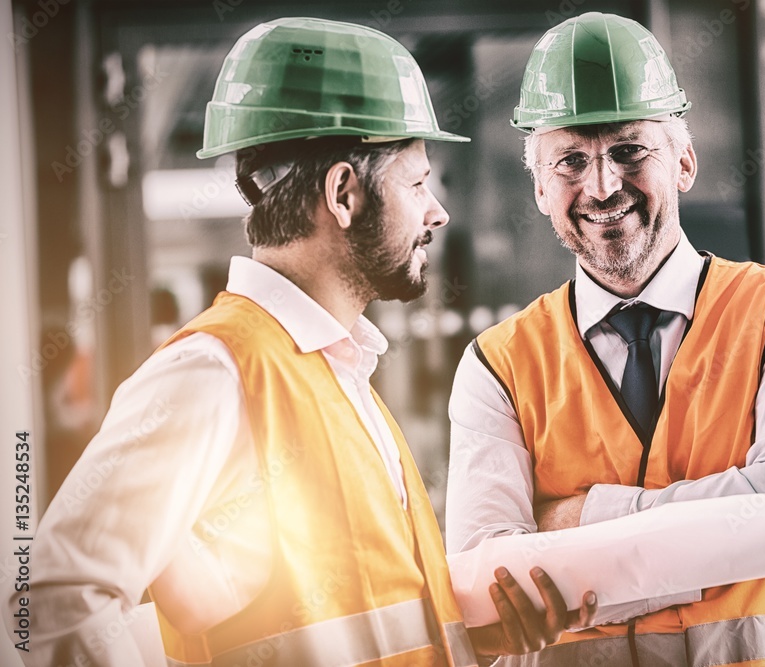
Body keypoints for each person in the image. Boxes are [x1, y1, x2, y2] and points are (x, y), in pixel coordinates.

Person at [7, 18, 595, 667]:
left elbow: (344, 618)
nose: (438, 211)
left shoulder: (336, 372)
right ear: (344, 193)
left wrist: (472, 636)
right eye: (418, 181)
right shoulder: (214, 370)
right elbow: (54, 603)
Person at [446, 12, 765, 667]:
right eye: (571, 161)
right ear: (539, 186)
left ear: (685, 161)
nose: (603, 185)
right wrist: (724, 523)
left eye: (628, 150)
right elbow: (486, 583)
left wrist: (580, 519)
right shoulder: (496, 366)